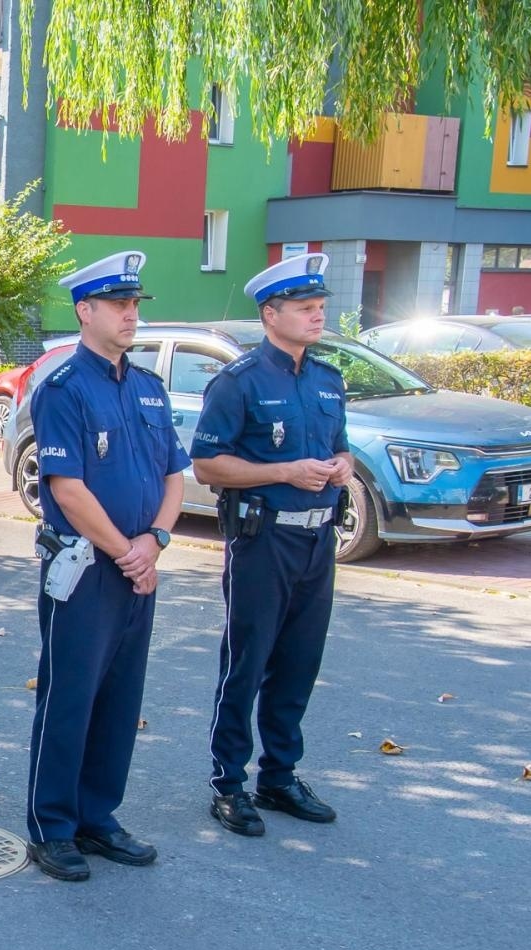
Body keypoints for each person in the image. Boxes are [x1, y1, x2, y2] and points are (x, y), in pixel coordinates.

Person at [24, 252, 188, 882]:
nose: (131, 314)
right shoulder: (63, 388)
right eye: (119, 304)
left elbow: (173, 475)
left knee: (121, 696)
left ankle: (97, 815)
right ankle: (52, 825)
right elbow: (66, 488)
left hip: (138, 564)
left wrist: (157, 541)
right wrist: (129, 551)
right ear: (85, 311)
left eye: (135, 304)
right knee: (70, 696)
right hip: (87, 567)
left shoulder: (149, 388)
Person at [191, 253, 349, 837]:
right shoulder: (239, 382)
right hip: (265, 540)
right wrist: (285, 472)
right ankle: (228, 782)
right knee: (248, 662)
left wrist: (341, 465)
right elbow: (207, 464)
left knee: (299, 664)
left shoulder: (327, 379)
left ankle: (279, 776)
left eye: (320, 307)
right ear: (270, 314)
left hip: (318, 539)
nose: (317, 316)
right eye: (305, 308)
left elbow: (341, 445)